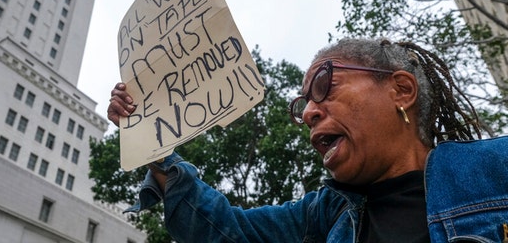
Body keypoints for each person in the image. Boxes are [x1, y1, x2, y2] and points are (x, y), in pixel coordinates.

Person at [107, 38, 508, 242]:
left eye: (324, 85)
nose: (310, 113)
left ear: (400, 90)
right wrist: (152, 139)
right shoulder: (323, 215)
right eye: (303, 106)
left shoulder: (496, 168)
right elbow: (226, 232)